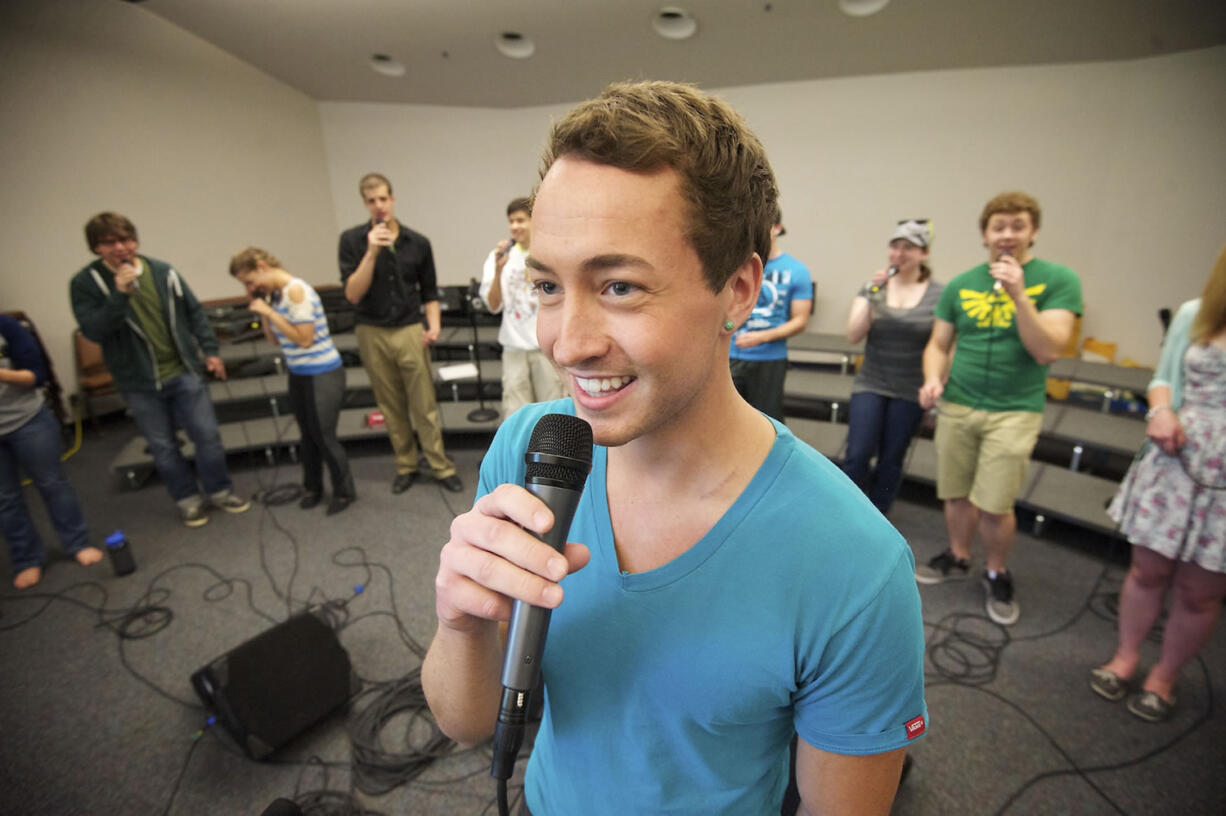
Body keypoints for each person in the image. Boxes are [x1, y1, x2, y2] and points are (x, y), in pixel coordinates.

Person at [421, 81, 926, 816]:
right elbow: (463, 722)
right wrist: (460, 624)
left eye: (620, 286)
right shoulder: (529, 452)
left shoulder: (855, 565)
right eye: (549, 286)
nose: (567, 341)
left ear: (738, 289)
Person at [915, 192, 1082, 625]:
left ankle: (996, 570)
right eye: (999, 226)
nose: (1007, 235)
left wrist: (1019, 296)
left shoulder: (1058, 280)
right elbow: (938, 343)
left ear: (1033, 232)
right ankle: (958, 554)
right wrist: (934, 377)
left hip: (1014, 410)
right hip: (959, 404)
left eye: (1018, 226)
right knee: (954, 491)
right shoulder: (960, 284)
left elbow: (1048, 350)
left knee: (994, 502)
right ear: (985, 234)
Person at [1091, 245, 1226, 722]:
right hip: (1177, 461)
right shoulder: (1197, 313)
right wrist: (1162, 410)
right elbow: (1164, 379)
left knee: (1201, 591)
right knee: (1147, 570)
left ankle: (1164, 676)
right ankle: (1125, 657)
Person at [69, 213, 250, 527]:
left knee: (207, 436)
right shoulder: (86, 284)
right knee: (163, 447)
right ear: (97, 248)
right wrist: (120, 295)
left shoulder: (163, 272)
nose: (120, 248)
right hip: (138, 382)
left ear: (135, 241)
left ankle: (220, 492)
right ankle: (188, 501)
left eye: (126, 240)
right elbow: (95, 330)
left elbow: (193, 312)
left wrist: (210, 351)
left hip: (182, 370)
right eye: (110, 242)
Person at [338, 173, 463, 494]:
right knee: (390, 404)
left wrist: (434, 325)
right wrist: (371, 253)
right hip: (371, 331)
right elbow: (352, 294)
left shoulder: (417, 243)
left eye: (383, 198)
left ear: (392, 199)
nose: (378, 206)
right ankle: (406, 464)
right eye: (371, 201)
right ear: (364, 204)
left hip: (410, 329)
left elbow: (429, 291)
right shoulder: (352, 241)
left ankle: (439, 465)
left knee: (424, 402)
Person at [229, 248, 355, 515]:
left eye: (249, 281)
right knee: (307, 436)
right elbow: (274, 339)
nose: (249, 287)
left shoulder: (297, 291)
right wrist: (264, 311)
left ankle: (345, 492)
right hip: (299, 373)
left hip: (322, 374)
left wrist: (271, 313)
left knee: (324, 436)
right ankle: (313, 487)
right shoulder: (275, 296)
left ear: (262, 266)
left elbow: (304, 339)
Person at [842, 220, 943, 515]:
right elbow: (853, 334)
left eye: (908, 247)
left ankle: (879, 515)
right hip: (871, 381)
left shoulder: (938, 294)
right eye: (895, 246)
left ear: (923, 253)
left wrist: (936, 388)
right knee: (857, 454)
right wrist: (874, 293)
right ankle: (847, 511)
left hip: (910, 386)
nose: (899, 253)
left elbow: (942, 344)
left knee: (892, 458)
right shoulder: (874, 286)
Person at [1, 314, 103, 588]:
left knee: (53, 484)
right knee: (5, 499)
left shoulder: (7, 327)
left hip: (27, 421)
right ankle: (27, 560)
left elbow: (36, 375)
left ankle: (77, 544)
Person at [479, 196, 566, 419]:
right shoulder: (498, 257)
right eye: (511, 221)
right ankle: (519, 455)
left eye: (520, 220)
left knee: (553, 411)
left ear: (532, 221)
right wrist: (499, 271)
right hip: (514, 349)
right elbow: (493, 305)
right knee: (515, 415)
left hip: (545, 348)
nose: (514, 226)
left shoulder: (548, 254)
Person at [728, 207, 813, 421]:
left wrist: (762, 337)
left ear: (777, 229)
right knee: (727, 420)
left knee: (767, 421)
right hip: (730, 355)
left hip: (769, 359)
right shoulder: (735, 266)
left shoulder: (796, 271)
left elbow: (801, 321)